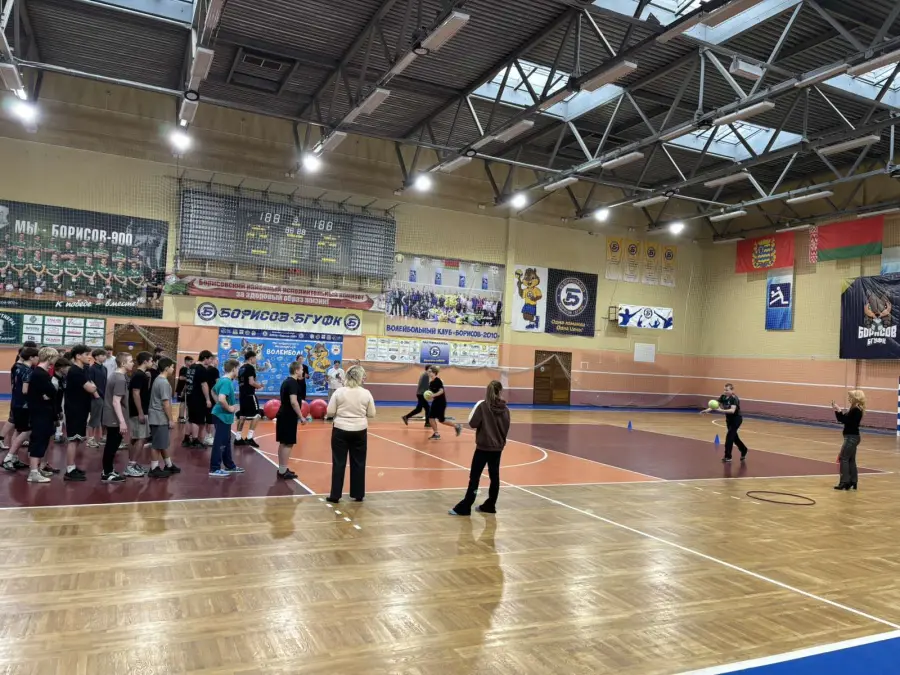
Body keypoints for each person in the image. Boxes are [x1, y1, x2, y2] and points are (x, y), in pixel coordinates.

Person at [449, 381, 510, 516]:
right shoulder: (505, 409)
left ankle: (466, 506)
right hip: (497, 448)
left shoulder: (483, 406)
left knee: (475, 477)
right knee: (495, 477)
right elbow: (506, 427)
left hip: (483, 447)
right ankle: (490, 505)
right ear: (500, 391)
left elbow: (473, 423)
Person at [326, 365, 376, 503]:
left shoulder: (339, 392)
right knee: (359, 462)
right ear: (361, 377)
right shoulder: (366, 393)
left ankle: (335, 495)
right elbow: (372, 414)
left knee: (338, 462)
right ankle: (358, 493)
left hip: (340, 429)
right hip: (360, 430)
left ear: (346, 376)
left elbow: (330, 412)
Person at [62, 344, 97, 481]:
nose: (89, 357)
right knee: (73, 439)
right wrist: (93, 386)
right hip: (74, 410)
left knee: (77, 440)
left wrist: (92, 386)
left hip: (81, 408)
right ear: (78, 356)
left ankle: (72, 466)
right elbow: (91, 388)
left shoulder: (83, 370)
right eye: (87, 354)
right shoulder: (75, 371)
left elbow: (91, 385)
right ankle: (69, 470)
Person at [24, 347, 59, 483]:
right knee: (38, 440)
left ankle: (36, 469)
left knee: (41, 440)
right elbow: (52, 392)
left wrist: (48, 395)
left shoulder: (41, 373)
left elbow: (50, 393)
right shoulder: (40, 374)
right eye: (54, 358)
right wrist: (48, 395)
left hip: (43, 412)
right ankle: (33, 472)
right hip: (40, 413)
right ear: (50, 358)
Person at [2, 346, 38, 472]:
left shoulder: (16, 366)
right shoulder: (28, 371)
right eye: (37, 357)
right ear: (31, 357)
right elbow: (25, 390)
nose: (38, 359)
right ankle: (8, 458)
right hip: (24, 405)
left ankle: (14, 458)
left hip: (16, 402)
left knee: (18, 430)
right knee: (26, 431)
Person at [209, 359, 244, 477]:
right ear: (234, 369)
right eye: (238, 369)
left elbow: (213, 391)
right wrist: (229, 408)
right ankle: (214, 468)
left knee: (226, 442)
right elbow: (221, 398)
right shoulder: (226, 382)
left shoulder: (222, 380)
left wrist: (219, 404)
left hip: (223, 416)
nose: (238, 371)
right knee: (220, 442)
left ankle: (230, 465)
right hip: (222, 416)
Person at [101, 352, 133, 482]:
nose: (133, 364)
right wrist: (122, 421)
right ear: (123, 363)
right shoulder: (119, 379)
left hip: (113, 416)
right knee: (112, 445)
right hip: (114, 418)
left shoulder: (116, 376)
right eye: (130, 361)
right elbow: (116, 401)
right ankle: (107, 473)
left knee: (112, 444)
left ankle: (108, 470)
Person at [148, 357, 180, 478]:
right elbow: (166, 403)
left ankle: (168, 464)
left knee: (162, 442)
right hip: (159, 417)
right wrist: (171, 419)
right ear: (166, 368)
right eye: (172, 367)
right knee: (157, 444)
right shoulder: (164, 383)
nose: (173, 369)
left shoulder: (158, 379)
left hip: (157, 416)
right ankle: (154, 468)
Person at [274, 362, 307, 480]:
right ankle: (283, 471)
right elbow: (293, 401)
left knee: (284, 443)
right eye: (301, 369)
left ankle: (282, 469)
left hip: (284, 415)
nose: (302, 371)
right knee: (288, 443)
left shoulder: (286, 381)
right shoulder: (292, 383)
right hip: (288, 416)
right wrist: (301, 416)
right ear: (296, 370)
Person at [702, 383, 748, 462]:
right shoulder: (723, 397)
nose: (725, 391)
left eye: (727, 390)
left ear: (732, 390)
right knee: (734, 438)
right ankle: (744, 449)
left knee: (729, 437)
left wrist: (721, 410)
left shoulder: (734, 398)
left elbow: (732, 410)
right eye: (724, 390)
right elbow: (715, 405)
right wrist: (707, 410)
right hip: (729, 420)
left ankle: (728, 456)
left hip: (736, 419)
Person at [126, 351, 152, 477]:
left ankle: (132, 463)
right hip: (138, 411)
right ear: (145, 361)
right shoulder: (139, 375)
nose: (152, 363)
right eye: (151, 360)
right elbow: (135, 393)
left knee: (136, 438)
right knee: (141, 438)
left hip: (140, 410)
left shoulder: (142, 375)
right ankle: (131, 466)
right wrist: (140, 412)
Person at [833, 390, 865, 491]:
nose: (849, 398)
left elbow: (846, 420)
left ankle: (844, 482)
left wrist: (839, 411)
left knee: (843, 458)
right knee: (851, 459)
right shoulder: (855, 409)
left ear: (856, 398)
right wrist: (838, 410)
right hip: (853, 437)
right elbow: (842, 419)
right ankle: (853, 481)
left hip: (851, 438)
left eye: (851, 396)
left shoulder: (856, 410)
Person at [235, 351, 264, 447]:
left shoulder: (241, 368)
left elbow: (243, 381)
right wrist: (259, 386)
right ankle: (249, 437)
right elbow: (251, 382)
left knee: (242, 416)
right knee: (258, 414)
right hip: (250, 395)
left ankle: (238, 438)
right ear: (251, 358)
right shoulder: (250, 367)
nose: (256, 360)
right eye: (255, 358)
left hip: (242, 395)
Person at [183, 351, 212, 448]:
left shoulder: (191, 367)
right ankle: (195, 440)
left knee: (190, 418)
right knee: (197, 420)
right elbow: (204, 384)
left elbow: (188, 381)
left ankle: (186, 439)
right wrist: (208, 399)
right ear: (205, 358)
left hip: (190, 395)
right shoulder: (202, 369)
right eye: (210, 359)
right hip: (198, 397)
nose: (210, 361)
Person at [426, 366, 462, 440]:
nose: (428, 373)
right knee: (431, 418)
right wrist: (428, 395)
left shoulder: (438, 381)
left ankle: (457, 426)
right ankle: (436, 434)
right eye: (428, 371)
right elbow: (432, 393)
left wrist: (433, 395)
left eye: (430, 372)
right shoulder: (431, 382)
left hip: (441, 403)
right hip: (435, 402)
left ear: (434, 373)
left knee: (441, 420)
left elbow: (441, 391)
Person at [86, 348, 108, 449]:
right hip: (95, 397)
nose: (105, 357)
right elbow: (91, 383)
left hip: (104, 396)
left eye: (105, 355)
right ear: (96, 357)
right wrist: (97, 395)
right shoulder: (91, 369)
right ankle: (90, 439)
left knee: (103, 418)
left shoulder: (104, 368)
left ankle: (102, 437)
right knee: (94, 419)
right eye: (102, 355)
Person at [205, 355, 220, 446]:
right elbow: (218, 385)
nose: (218, 362)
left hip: (206, 396)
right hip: (212, 396)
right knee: (211, 417)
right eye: (217, 360)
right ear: (213, 360)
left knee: (207, 417)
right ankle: (209, 436)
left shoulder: (205, 369)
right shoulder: (215, 370)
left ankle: (207, 435)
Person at [175, 356, 193, 423]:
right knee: (182, 403)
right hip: (181, 389)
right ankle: (181, 417)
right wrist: (189, 378)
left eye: (192, 361)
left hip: (187, 389)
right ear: (186, 361)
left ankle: (186, 417)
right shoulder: (183, 369)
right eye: (190, 361)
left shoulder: (189, 369)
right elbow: (181, 377)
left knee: (187, 403)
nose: (191, 363)